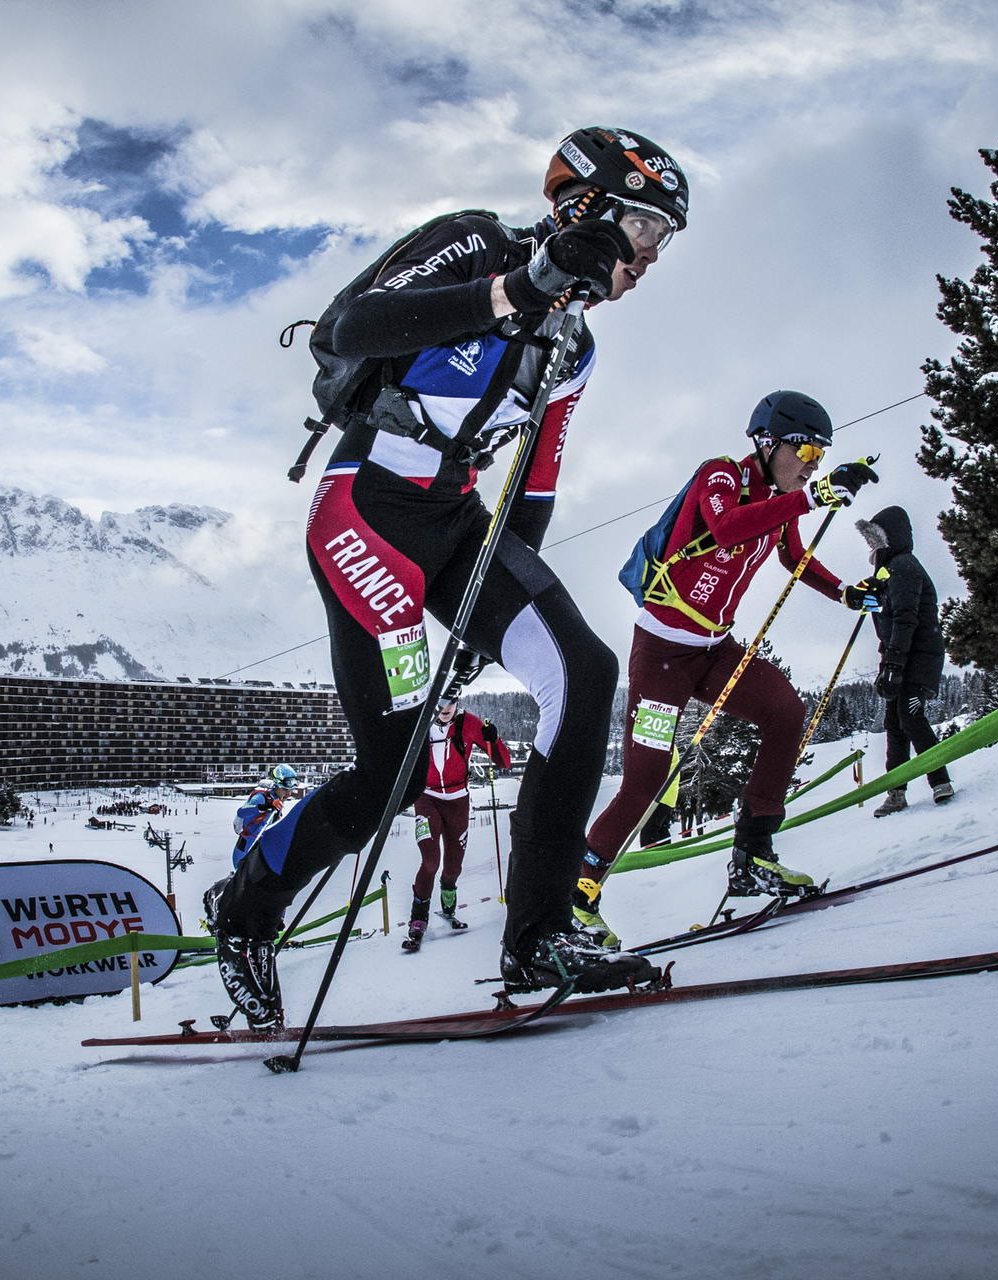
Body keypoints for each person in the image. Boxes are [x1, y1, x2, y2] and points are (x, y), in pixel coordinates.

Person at [208, 126, 690, 1027]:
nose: (652, 258)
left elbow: (534, 482)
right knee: (390, 776)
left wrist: (495, 618)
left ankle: (541, 930)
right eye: (648, 231)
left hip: (460, 524)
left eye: (665, 242)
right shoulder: (480, 245)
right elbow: (344, 329)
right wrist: (520, 287)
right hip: (368, 516)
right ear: (590, 208)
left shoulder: (574, 348)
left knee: (582, 675)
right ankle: (245, 911)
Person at [573, 391, 877, 945]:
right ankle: (579, 892)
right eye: (805, 449)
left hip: (715, 651)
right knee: (645, 780)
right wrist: (810, 499)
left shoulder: (785, 499)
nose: (812, 463)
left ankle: (753, 856)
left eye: (820, 455)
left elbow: (792, 557)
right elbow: (727, 528)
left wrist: (846, 595)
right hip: (662, 655)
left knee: (786, 713)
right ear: (767, 442)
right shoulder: (722, 476)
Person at [859, 507, 955, 817]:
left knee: (910, 717)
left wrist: (894, 665)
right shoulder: (890, 573)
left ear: (889, 539)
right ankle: (896, 791)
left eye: (876, 541)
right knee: (894, 724)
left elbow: (905, 619)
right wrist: (873, 602)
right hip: (899, 657)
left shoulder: (905, 567)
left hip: (918, 658)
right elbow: (887, 626)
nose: (872, 549)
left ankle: (940, 780)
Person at [401, 692, 512, 951]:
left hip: (458, 802)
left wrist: (492, 738)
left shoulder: (468, 723)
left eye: (451, 702)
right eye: (440, 702)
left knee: (452, 868)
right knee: (430, 861)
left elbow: (503, 761)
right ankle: (418, 919)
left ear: (458, 702)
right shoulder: (420, 725)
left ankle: (449, 908)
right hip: (426, 799)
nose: (445, 708)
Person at [200, 765, 301, 931]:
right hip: (245, 850)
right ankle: (222, 918)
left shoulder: (277, 801)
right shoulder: (262, 797)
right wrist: (264, 807)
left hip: (257, 850)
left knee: (273, 886)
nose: (289, 794)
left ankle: (272, 922)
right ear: (276, 785)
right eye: (285, 790)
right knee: (255, 888)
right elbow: (242, 812)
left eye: (290, 790)